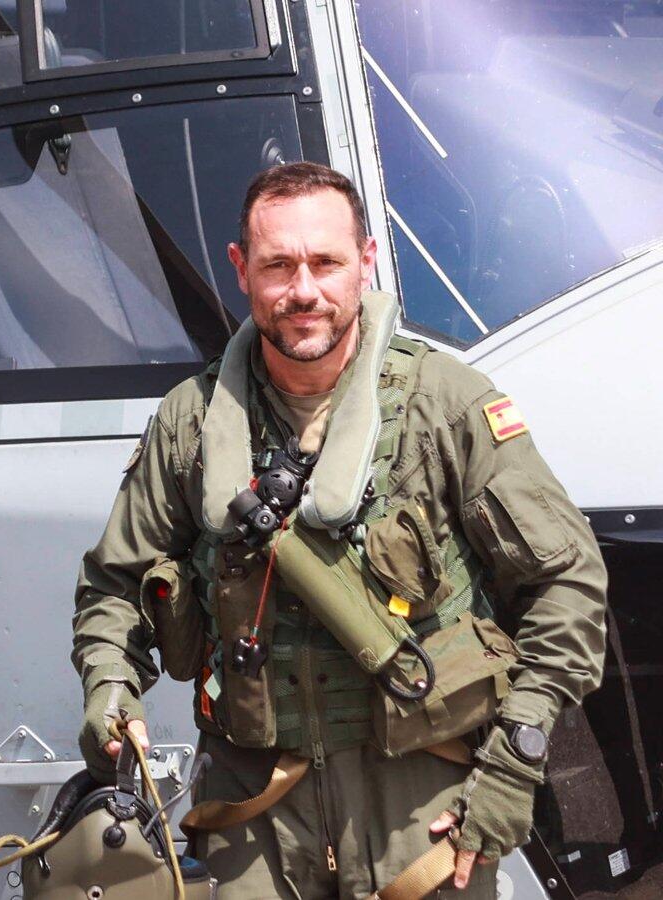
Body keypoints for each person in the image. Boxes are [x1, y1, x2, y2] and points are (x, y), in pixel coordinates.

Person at [72, 162, 607, 897]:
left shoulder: (446, 406)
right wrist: (110, 687)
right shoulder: (189, 424)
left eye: (325, 262)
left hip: (422, 805)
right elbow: (116, 586)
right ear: (241, 269)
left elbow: (567, 582)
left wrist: (517, 760)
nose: (303, 291)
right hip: (253, 807)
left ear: (365, 260)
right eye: (277, 266)